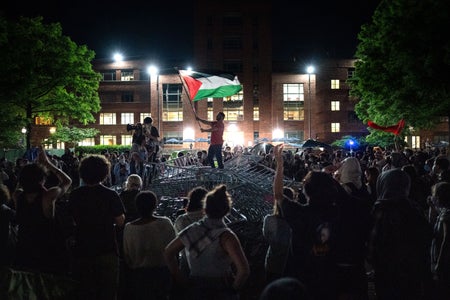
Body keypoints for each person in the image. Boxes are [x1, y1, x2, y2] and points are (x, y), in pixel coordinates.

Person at [164, 184, 250, 300]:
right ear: (226, 211)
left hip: (195, 288)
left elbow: (168, 253)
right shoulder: (227, 236)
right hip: (221, 288)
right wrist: (232, 290)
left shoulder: (191, 231)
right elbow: (244, 271)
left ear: (204, 209)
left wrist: (182, 280)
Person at [368, 168, 433, 299]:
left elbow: (374, 245)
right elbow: (426, 239)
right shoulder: (413, 209)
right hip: (412, 272)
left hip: (387, 273)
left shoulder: (380, 210)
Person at [68, 154, 125, 300]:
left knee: (84, 291)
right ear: (104, 173)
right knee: (108, 291)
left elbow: (70, 220)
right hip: (106, 248)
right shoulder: (110, 195)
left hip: (82, 249)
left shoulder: (75, 195)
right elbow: (120, 221)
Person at [13, 146, 72, 275]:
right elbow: (67, 181)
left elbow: (20, 184)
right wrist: (48, 164)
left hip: (24, 247)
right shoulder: (48, 196)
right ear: (42, 180)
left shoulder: (17, 195)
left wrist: (29, 169)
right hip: (47, 248)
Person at [123, 190, 176, 300]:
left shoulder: (129, 228)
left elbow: (127, 255)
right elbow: (173, 248)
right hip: (163, 273)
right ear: (155, 205)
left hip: (139, 276)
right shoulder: (165, 222)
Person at [429, 182, 450, 299]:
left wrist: (439, 264)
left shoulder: (446, 216)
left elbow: (446, 241)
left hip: (444, 262)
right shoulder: (442, 213)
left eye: (434, 195)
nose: (433, 197)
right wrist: (432, 208)